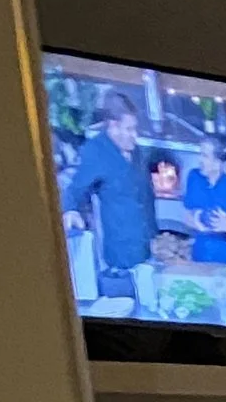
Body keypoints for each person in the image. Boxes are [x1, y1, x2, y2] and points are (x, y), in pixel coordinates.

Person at [59, 91, 155, 312]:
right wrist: (70, 210)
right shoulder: (95, 151)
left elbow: (146, 196)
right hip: (118, 257)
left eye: (135, 128)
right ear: (113, 126)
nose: (135, 135)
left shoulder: (137, 152)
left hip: (146, 249)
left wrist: (154, 235)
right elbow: (75, 190)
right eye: (129, 129)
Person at [184, 131, 226, 264]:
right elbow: (186, 216)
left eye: (205, 156)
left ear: (218, 163)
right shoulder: (194, 178)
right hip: (199, 262)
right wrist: (197, 220)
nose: (200, 160)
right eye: (200, 154)